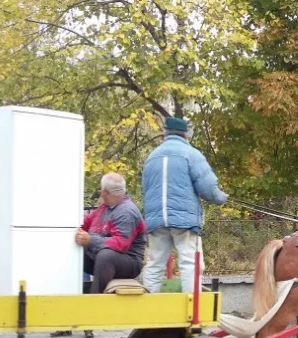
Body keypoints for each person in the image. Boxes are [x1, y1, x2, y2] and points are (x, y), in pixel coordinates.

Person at [51, 172, 146, 338]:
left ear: (106, 192)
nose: (101, 193)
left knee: (105, 256)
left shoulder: (126, 212)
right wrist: (71, 230)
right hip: (104, 254)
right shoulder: (105, 207)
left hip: (128, 262)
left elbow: (120, 244)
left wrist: (90, 240)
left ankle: (91, 316)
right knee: (75, 253)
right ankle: (67, 315)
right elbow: (86, 223)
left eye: (102, 191)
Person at [141, 116, 228, 294]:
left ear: (165, 133)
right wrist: (221, 198)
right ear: (185, 134)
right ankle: (190, 308)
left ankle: (149, 308)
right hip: (184, 221)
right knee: (190, 263)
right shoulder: (192, 155)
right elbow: (208, 187)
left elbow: (146, 189)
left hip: (156, 221)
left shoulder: (151, 158)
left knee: (155, 263)